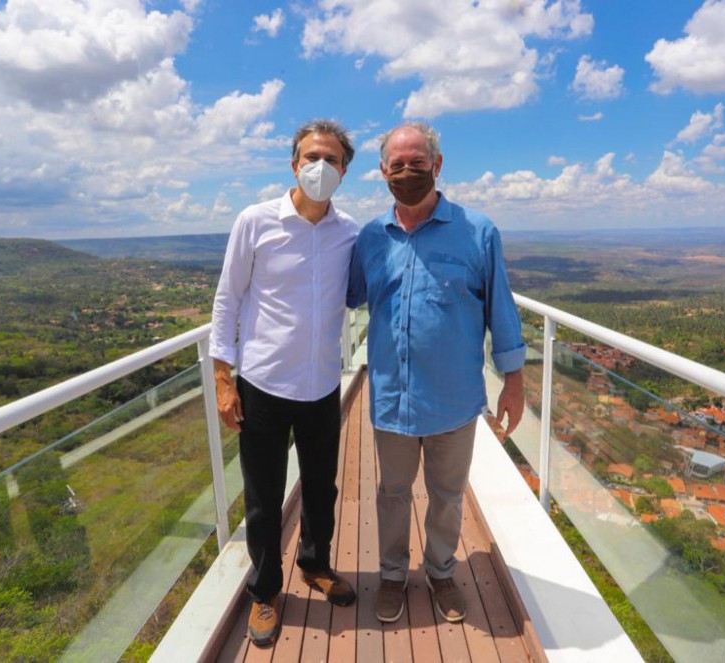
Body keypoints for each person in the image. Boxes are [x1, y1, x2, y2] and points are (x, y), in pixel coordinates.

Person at [347, 121, 525, 624]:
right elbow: (347, 296)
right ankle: (392, 576)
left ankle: (442, 572)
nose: (407, 172)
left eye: (417, 163)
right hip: (391, 396)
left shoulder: (478, 232)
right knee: (392, 494)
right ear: (382, 172)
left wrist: (513, 380)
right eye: (397, 165)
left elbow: (501, 310)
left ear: (438, 166)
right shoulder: (370, 239)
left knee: (448, 495)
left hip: (453, 399)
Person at [209, 119, 358, 647]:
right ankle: (266, 590)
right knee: (264, 496)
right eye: (312, 156)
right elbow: (227, 301)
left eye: (332, 159)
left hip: (321, 384)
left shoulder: (350, 233)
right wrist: (224, 380)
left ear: (345, 170)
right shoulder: (255, 221)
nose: (321, 167)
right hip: (263, 384)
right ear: (294, 163)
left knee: (322, 488)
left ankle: (315, 565)